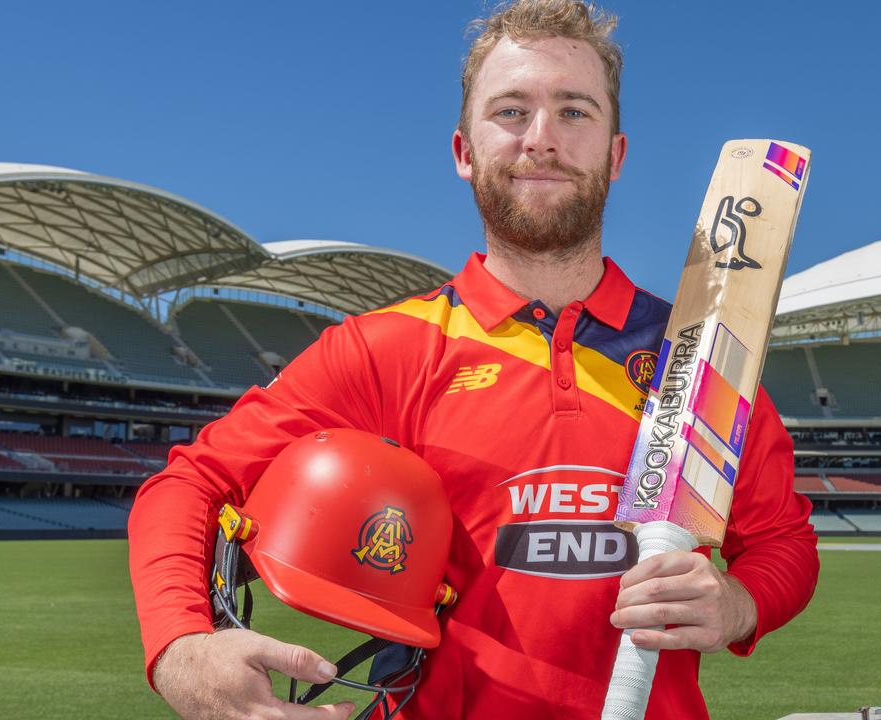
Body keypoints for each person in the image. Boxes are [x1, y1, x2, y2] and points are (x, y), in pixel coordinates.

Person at [128, 1, 819, 718]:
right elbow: (191, 484)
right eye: (511, 111)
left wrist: (739, 604)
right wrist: (182, 647)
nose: (541, 139)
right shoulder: (384, 349)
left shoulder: (699, 362)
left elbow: (783, 541)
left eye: (575, 112)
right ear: (464, 150)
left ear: (615, 155)